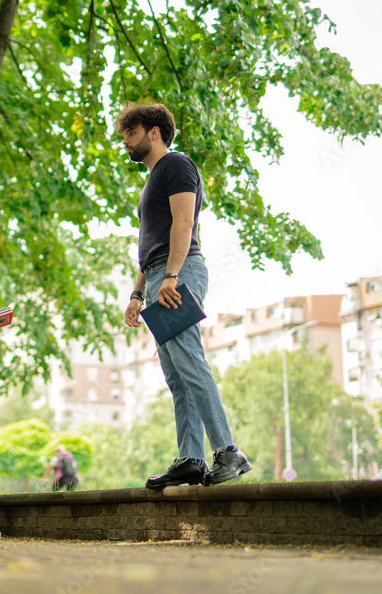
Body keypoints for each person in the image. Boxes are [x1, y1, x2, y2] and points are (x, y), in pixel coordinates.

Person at [116, 102, 251, 489]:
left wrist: (172, 275)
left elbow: (184, 221)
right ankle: (191, 458)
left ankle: (229, 451)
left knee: (190, 361)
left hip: (178, 272)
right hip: (159, 275)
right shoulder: (152, 180)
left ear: (153, 132)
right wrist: (137, 293)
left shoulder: (175, 165)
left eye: (130, 133)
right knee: (176, 373)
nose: (125, 142)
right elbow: (150, 246)